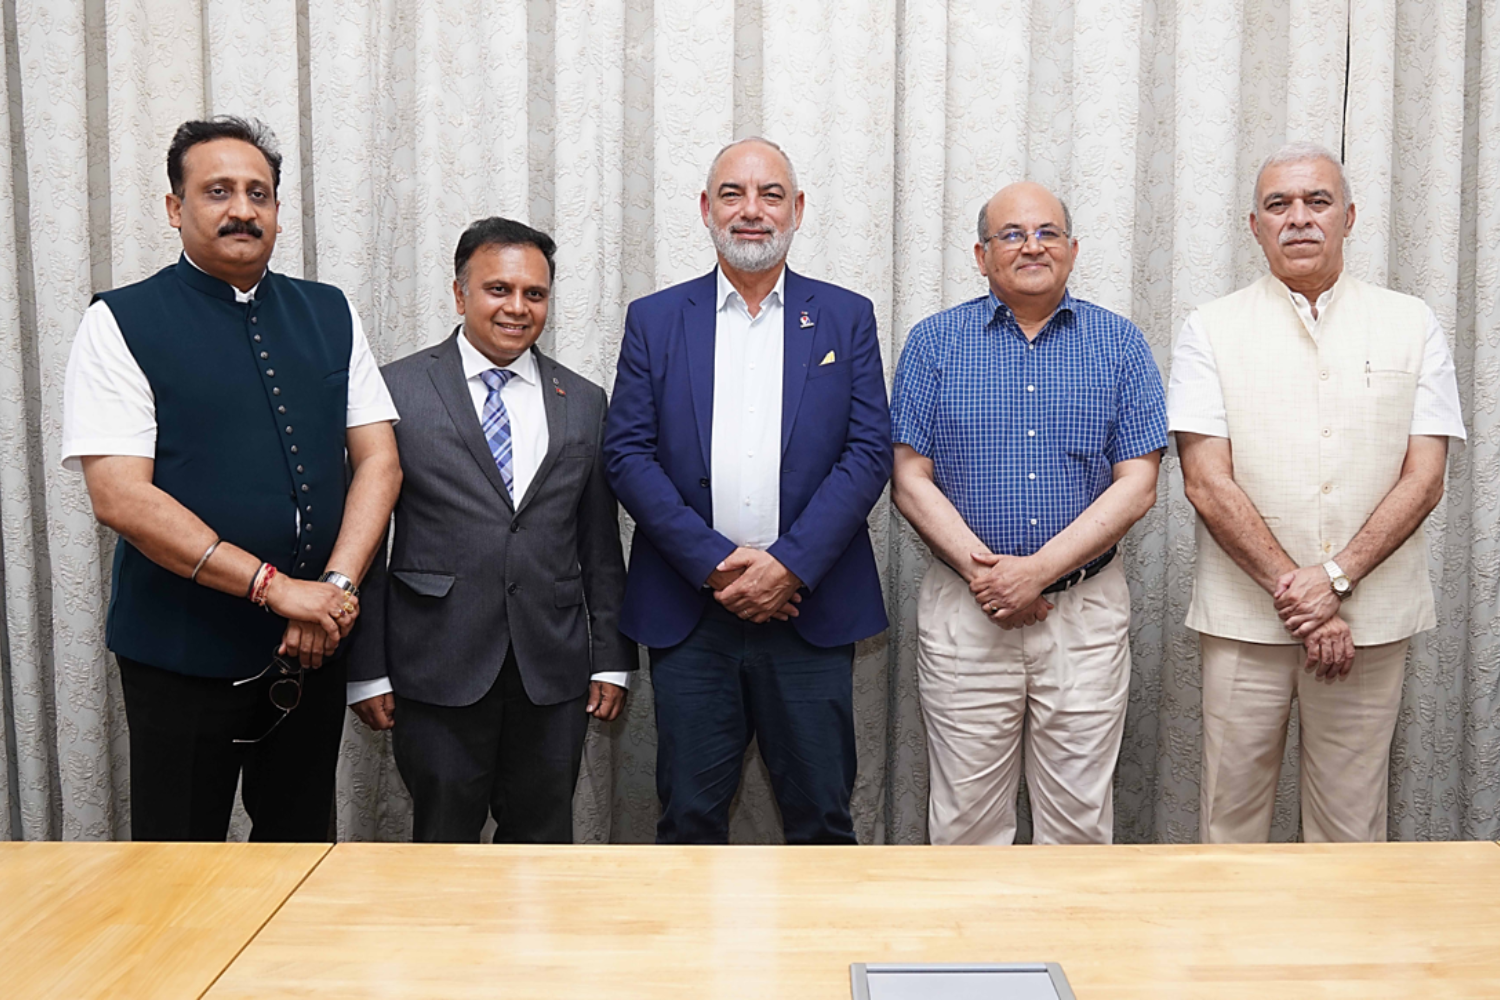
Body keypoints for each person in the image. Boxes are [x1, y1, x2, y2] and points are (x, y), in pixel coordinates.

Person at [61, 116, 402, 842]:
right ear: (175, 208)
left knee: (300, 857)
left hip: (311, 648)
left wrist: (334, 593)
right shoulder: (120, 321)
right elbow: (120, 494)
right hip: (181, 654)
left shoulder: (329, 311)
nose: (243, 209)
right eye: (217, 191)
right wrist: (280, 591)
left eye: (260, 193)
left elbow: (379, 460)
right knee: (178, 870)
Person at [1169, 142, 1465, 843]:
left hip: (1373, 620)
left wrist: (1334, 579)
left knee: (1351, 827)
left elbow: (1425, 479)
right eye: (1279, 205)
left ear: (1349, 216)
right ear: (1254, 225)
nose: (1298, 218)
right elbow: (1206, 482)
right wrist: (1302, 595)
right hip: (1244, 620)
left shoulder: (1411, 321)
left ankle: (1342, 956)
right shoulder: (1209, 328)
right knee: (1230, 820)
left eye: (1317, 201)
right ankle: (1231, 954)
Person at [603, 137, 892, 845]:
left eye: (770, 195)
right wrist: (718, 564)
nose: (752, 211)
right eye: (733, 193)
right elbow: (627, 453)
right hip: (691, 613)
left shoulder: (846, 316)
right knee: (689, 820)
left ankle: (822, 957)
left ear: (797, 210)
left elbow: (867, 451)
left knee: (823, 819)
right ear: (706, 209)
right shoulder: (655, 318)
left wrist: (787, 564)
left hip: (809, 610)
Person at [890, 182, 1167, 845]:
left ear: (1073, 249)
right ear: (981, 256)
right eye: (1011, 235)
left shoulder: (1120, 344)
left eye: (1047, 232)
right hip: (966, 607)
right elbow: (907, 476)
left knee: (1078, 823)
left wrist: (1036, 573)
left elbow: (1139, 483)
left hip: (1083, 614)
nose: (1031, 246)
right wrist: (987, 574)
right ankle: (973, 952)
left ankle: (1070, 949)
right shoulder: (934, 343)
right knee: (964, 823)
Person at [347, 217, 634, 844]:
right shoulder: (393, 390)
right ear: (459, 295)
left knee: (542, 848)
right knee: (443, 848)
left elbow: (599, 543)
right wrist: (366, 670)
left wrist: (612, 659)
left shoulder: (583, 399)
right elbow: (365, 543)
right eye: (498, 289)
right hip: (435, 666)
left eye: (534, 293)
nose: (517, 307)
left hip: (552, 675)